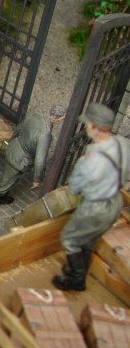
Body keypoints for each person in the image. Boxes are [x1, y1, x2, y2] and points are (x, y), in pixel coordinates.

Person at [52, 103, 130, 291]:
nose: (86, 126)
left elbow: (74, 189)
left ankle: (76, 279)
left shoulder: (89, 160)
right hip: (115, 203)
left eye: (88, 123)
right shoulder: (123, 144)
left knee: (69, 239)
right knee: (88, 239)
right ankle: (79, 269)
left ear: (95, 127)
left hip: (94, 208)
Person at [0, 105, 67, 215]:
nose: (62, 120)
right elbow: (40, 159)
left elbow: (19, 129)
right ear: (55, 117)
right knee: (5, 182)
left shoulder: (35, 115)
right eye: (62, 118)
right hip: (21, 160)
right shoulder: (45, 134)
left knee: (12, 179)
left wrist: (11, 142)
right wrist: (37, 179)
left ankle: (1, 197)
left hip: (15, 148)